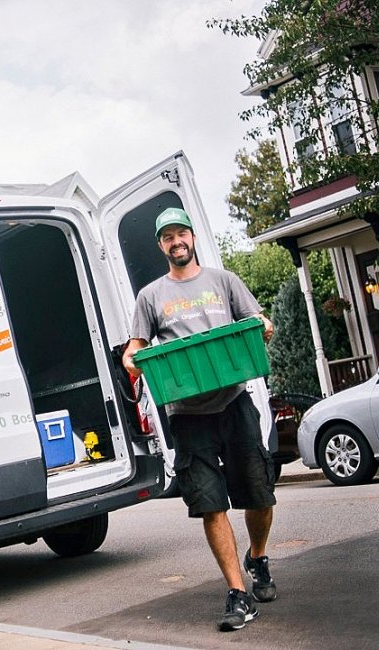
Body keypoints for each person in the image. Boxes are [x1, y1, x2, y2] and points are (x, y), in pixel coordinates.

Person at [122, 207, 277, 633]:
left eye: (181, 234)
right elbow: (135, 347)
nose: (176, 242)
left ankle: (258, 557)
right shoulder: (150, 296)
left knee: (259, 494)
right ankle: (237, 593)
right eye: (167, 237)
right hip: (187, 414)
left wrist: (263, 325)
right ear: (161, 246)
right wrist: (131, 358)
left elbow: (258, 320)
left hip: (233, 402)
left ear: (192, 237)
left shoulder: (224, 281)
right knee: (210, 504)